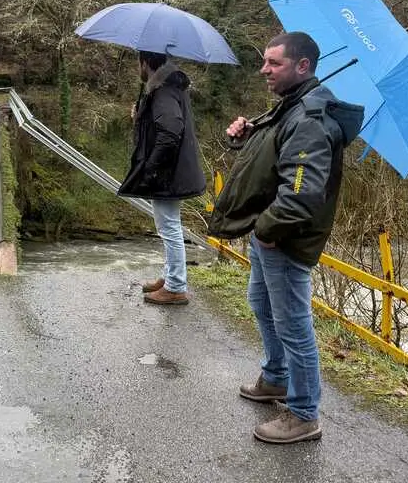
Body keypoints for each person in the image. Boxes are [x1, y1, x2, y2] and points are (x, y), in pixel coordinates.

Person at [208, 32, 363, 444]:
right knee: (261, 303)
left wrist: (267, 231)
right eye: (266, 62)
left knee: (294, 325)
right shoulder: (290, 108)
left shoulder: (310, 120)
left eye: (274, 63)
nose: (264, 70)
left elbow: (300, 193)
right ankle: (276, 378)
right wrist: (241, 137)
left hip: (284, 239)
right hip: (269, 234)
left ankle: (304, 413)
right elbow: (274, 158)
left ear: (302, 66)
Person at [118, 50, 206, 305]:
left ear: (145, 62)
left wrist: (152, 169)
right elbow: (164, 126)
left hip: (169, 173)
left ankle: (176, 286)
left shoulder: (163, 91)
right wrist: (141, 117)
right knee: (169, 225)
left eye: (139, 62)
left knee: (168, 227)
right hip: (174, 170)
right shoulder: (170, 87)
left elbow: (170, 132)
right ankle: (170, 278)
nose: (138, 67)